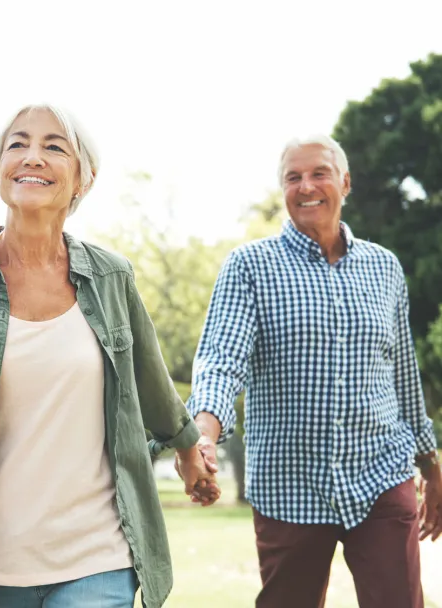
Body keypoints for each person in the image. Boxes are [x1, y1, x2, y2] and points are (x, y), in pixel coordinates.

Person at [0, 103, 220, 608]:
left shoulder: (112, 279)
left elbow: (152, 385)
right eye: (18, 144)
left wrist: (191, 452)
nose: (32, 156)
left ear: (84, 178)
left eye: (54, 147)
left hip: (97, 558)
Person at [185, 134, 442, 607]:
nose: (306, 187)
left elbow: (403, 373)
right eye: (293, 177)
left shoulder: (383, 268)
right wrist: (203, 432)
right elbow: (222, 361)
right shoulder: (250, 266)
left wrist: (430, 462)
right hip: (289, 482)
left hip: (382, 474)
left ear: (345, 182)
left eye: (318, 173)